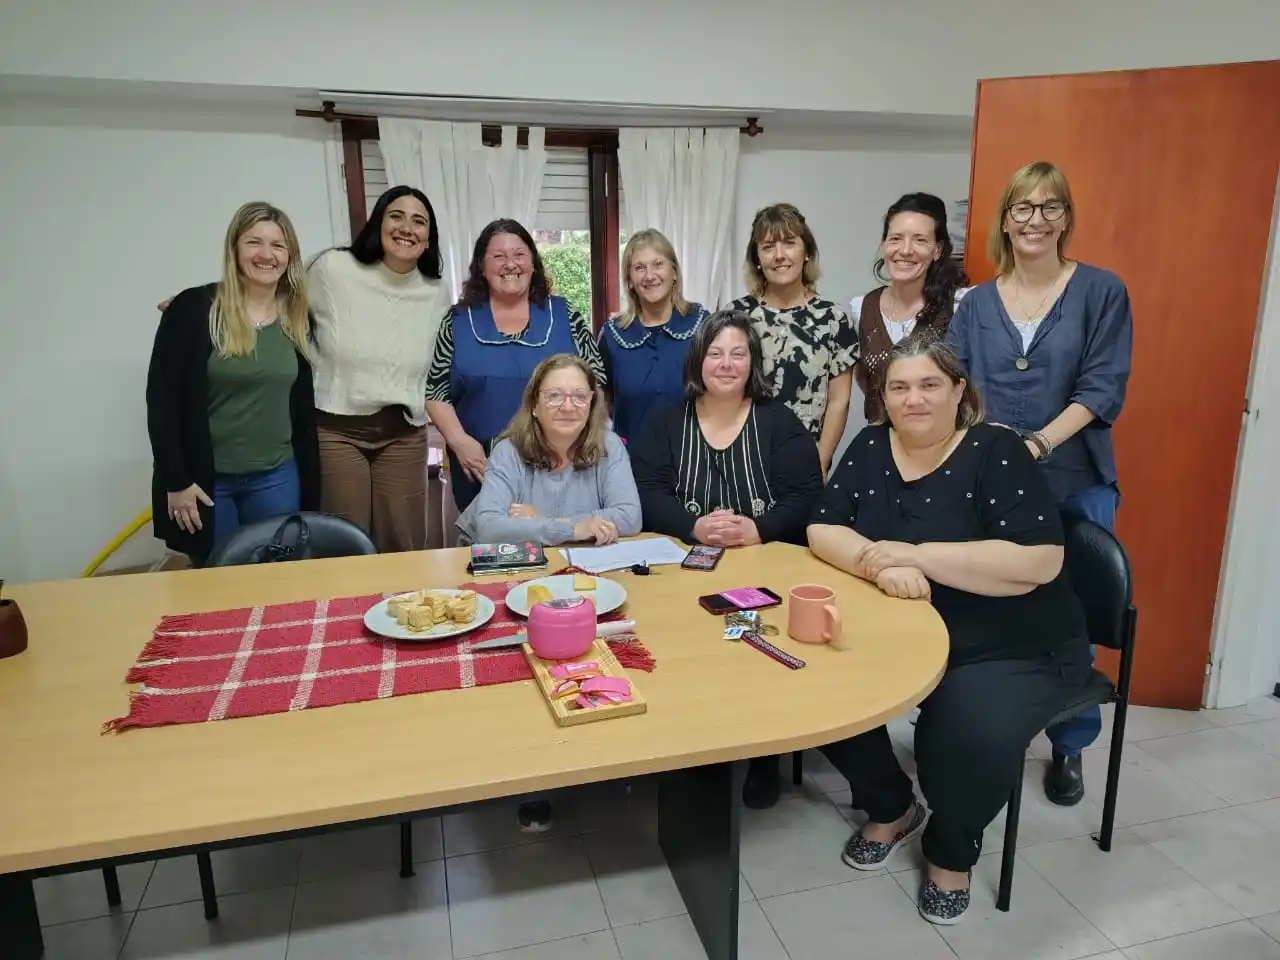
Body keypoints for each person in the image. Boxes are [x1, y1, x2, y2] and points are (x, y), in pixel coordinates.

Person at [808, 338, 1092, 925]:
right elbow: (823, 528)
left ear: (959, 390)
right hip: (905, 629)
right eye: (898, 387)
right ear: (882, 398)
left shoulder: (997, 450)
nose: (913, 399)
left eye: (929, 385)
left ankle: (950, 850)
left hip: (1012, 643)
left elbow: (1037, 562)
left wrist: (916, 556)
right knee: (814, 686)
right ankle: (892, 807)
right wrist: (877, 565)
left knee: (965, 735)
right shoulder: (868, 448)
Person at [947, 160, 1132, 807]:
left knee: (1071, 614)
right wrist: (982, 432)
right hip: (991, 488)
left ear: (1066, 218)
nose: (1035, 219)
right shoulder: (974, 304)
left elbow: (1103, 388)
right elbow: (956, 385)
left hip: (1076, 480)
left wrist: (1038, 442)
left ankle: (1070, 746)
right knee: (993, 606)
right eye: (1023, 207)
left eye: (1050, 207)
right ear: (1005, 219)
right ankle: (989, 727)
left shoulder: (1102, 292)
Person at [146, 202, 320, 566]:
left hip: (276, 476)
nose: (266, 254)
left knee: (278, 581)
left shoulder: (298, 317)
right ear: (235, 248)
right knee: (217, 585)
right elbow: (162, 403)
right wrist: (175, 481)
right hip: (209, 484)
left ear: (290, 255)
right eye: (254, 242)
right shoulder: (194, 310)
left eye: (278, 245)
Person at [307, 185, 452, 554]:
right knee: (345, 542)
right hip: (338, 430)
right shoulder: (333, 269)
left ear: (428, 238)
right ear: (378, 223)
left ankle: (400, 610)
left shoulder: (435, 291)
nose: (407, 228)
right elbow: (271, 292)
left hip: (403, 432)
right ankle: (345, 611)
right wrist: (205, 300)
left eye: (419, 222)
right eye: (396, 216)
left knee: (403, 542)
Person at [426, 219, 606, 513]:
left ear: (533, 263)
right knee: (492, 551)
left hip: (561, 471)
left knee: (560, 549)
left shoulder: (565, 314)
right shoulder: (457, 320)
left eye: (519, 254)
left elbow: (596, 380)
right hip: (481, 470)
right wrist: (459, 443)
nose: (510, 264)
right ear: (481, 268)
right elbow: (435, 390)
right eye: (498, 256)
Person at [631, 310, 822, 551]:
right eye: (714, 354)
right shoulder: (665, 420)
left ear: (753, 362)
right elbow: (647, 491)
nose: (726, 364)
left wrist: (759, 529)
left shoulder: (781, 422)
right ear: (697, 360)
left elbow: (805, 496)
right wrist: (692, 526)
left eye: (738, 354)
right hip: (683, 554)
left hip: (767, 556)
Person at [456, 354, 641, 547]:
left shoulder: (609, 445)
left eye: (579, 397)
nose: (568, 407)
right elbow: (489, 529)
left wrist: (544, 521)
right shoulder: (508, 451)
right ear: (535, 405)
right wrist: (573, 529)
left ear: (591, 405)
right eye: (554, 396)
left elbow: (630, 517)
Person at [728, 203, 856, 477]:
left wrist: (820, 461)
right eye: (767, 247)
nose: (779, 256)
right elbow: (720, 391)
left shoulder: (834, 319)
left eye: (788, 243)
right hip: (741, 462)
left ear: (806, 252)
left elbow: (839, 401)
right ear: (757, 260)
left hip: (806, 462)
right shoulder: (735, 316)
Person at [852, 193, 969, 423]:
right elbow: (867, 383)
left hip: (946, 447)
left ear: (937, 250)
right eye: (895, 238)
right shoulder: (861, 308)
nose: (905, 250)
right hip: (882, 447)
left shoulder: (961, 304)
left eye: (919, 240)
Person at [598, 229, 707, 444]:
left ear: (674, 272)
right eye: (639, 268)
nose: (649, 275)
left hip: (695, 463)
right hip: (631, 466)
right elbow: (602, 403)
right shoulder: (612, 335)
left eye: (658, 264)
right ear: (629, 279)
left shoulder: (703, 324)